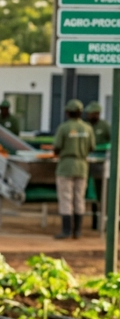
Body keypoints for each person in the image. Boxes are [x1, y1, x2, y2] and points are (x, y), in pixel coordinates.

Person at [53, 99, 95, 240]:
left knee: (66, 198)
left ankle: (66, 231)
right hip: (82, 166)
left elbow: (57, 147)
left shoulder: (64, 128)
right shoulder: (87, 128)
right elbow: (92, 147)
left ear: (67, 112)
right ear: (81, 113)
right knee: (79, 198)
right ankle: (77, 231)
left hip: (66, 166)